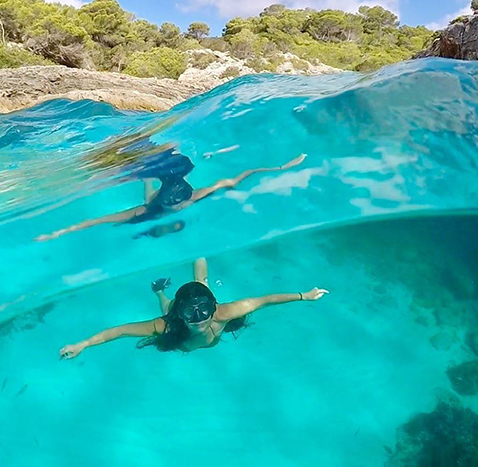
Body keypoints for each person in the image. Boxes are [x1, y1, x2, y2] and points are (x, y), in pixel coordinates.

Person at [59, 257, 328, 359]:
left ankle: (198, 251)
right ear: (182, 314)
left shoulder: (225, 312)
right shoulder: (167, 324)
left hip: (198, 312)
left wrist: (304, 296)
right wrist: (83, 344)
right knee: (167, 305)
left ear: (213, 307)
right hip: (177, 325)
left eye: (203, 311)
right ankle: (160, 292)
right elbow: (119, 331)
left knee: (200, 284)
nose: (198, 318)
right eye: (190, 313)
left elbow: (265, 299)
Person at [37, 152, 307, 241]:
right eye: (175, 204)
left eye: (182, 201)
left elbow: (234, 179)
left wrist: (281, 167)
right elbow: (97, 220)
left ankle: (150, 177)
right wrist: (57, 233)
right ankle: (146, 177)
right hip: (153, 206)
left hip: (160, 200)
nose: (180, 206)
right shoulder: (146, 211)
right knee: (147, 201)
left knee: (154, 194)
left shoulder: (194, 196)